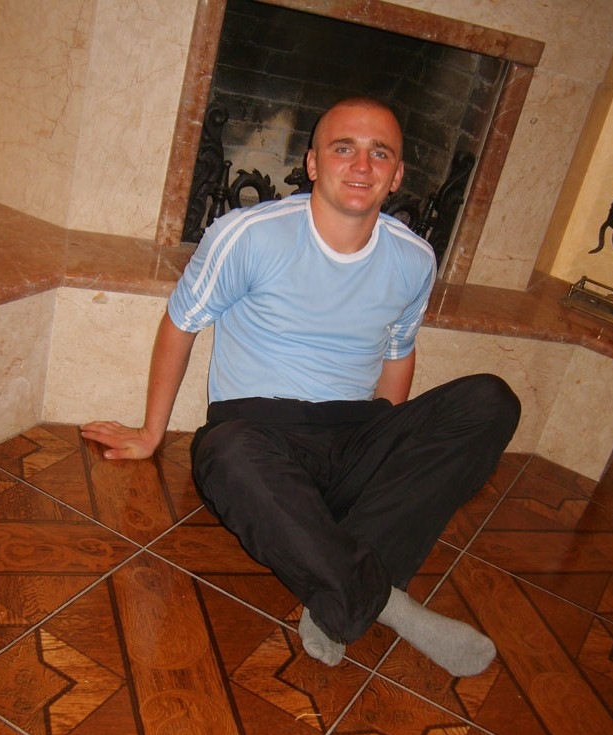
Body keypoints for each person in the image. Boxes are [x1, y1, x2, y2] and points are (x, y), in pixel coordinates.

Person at [82, 97, 520, 675]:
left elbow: (399, 350)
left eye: (379, 153)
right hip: (260, 436)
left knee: (491, 400)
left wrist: (389, 454)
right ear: (313, 163)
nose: (361, 165)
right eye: (344, 148)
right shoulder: (248, 235)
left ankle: (336, 585)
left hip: (356, 432)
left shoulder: (414, 258)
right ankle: (380, 600)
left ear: (397, 175)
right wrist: (151, 432)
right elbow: (181, 322)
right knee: (223, 450)